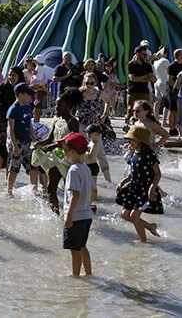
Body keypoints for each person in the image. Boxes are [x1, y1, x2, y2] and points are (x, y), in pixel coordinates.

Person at [34, 87, 83, 213]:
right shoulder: (57, 121)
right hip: (56, 160)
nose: (56, 108)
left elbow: (73, 140)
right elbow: (49, 139)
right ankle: (55, 215)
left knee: (71, 190)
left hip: (69, 161)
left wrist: (55, 145)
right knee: (51, 187)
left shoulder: (73, 122)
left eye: (59, 105)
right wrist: (38, 144)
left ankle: (73, 213)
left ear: (67, 106)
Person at [115, 125, 163, 243]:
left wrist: (152, 188)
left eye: (132, 140)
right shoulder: (133, 154)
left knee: (134, 217)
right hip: (134, 188)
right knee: (125, 214)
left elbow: (157, 174)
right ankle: (150, 227)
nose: (129, 142)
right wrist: (122, 182)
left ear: (140, 141)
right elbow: (133, 173)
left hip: (146, 190)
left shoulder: (150, 155)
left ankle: (143, 242)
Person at [57, 132, 96, 277]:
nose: (63, 152)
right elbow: (94, 191)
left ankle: (75, 276)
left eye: (65, 150)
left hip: (76, 217)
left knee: (74, 250)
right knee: (82, 246)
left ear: (73, 152)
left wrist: (68, 215)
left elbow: (75, 194)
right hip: (86, 215)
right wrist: (87, 204)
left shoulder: (73, 170)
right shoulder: (85, 168)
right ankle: (88, 273)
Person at [0, 66, 26, 185]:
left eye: (14, 76)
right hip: (2, 123)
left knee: (10, 155)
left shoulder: (21, 89)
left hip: (16, 125)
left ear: (19, 77)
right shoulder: (3, 87)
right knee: (0, 153)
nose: (11, 78)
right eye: (10, 75)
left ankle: (8, 182)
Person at [76, 72, 112, 183]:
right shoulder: (79, 93)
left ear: (95, 82)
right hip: (81, 124)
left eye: (91, 83)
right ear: (84, 82)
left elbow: (108, 102)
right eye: (87, 83)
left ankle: (108, 182)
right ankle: (82, 178)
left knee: (100, 153)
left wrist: (104, 115)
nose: (89, 85)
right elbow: (70, 104)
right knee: (80, 152)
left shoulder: (99, 93)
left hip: (94, 126)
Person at [5, 82, 39, 196]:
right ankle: (9, 191)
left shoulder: (28, 107)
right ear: (20, 95)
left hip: (28, 141)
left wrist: (34, 141)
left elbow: (30, 125)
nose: (30, 96)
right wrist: (14, 146)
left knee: (33, 167)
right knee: (14, 167)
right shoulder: (13, 109)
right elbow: (10, 129)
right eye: (27, 94)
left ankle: (34, 190)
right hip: (17, 141)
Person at [126, 46, 156, 123]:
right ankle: (128, 125)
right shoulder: (131, 64)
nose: (145, 56)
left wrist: (139, 78)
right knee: (131, 110)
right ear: (137, 54)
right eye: (144, 54)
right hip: (133, 91)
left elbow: (152, 78)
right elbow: (132, 78)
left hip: (144, 91)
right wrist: (145, 77)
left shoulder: (147, 65)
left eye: (146, 55)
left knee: (146, 110)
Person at [166, 49, 182, 136]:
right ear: (178, 56)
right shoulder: (172, 66)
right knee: (172, 111)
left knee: (178, 111)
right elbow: (170, 80)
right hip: (173, 91)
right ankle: (171, 128)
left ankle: (176, 128)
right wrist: (176, 87)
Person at [30, 54, 51, 122]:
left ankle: (36, 100)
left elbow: (36, 74)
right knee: (39, 103)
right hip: (40, 83)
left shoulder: (38, 68)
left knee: (38, 96)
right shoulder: (41, 68)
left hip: (38, 82)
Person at [152, 46, 170, 121]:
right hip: (163, 83)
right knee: (167, 102)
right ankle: (164, 120)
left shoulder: (155, 62)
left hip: (156, 83)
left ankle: (156, 118)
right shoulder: (165, 61)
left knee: (157, 102)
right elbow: (169, 72)